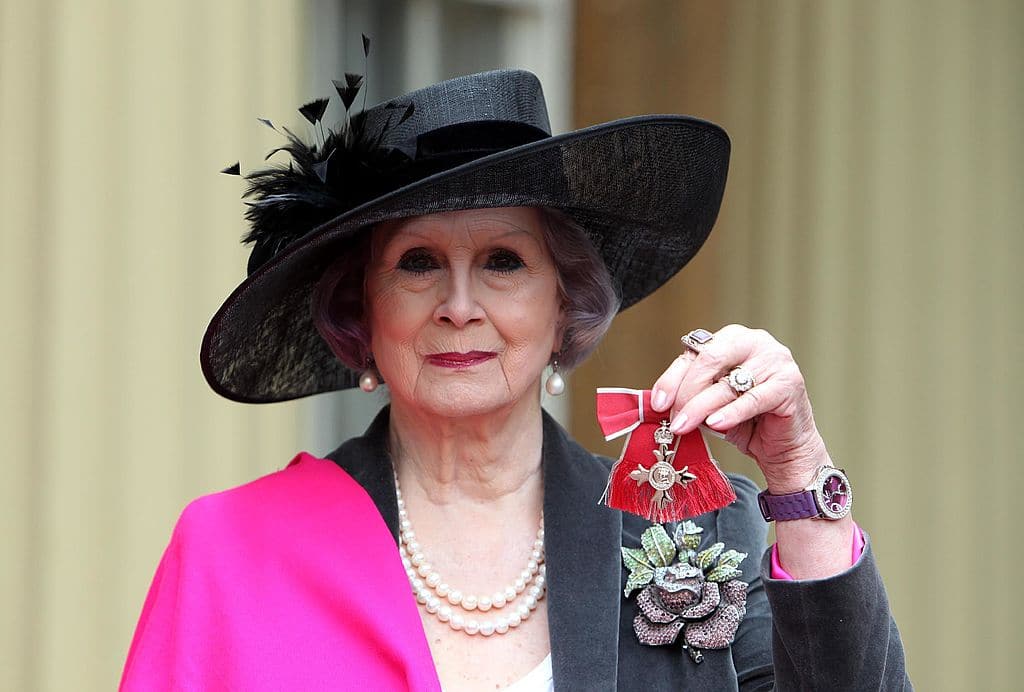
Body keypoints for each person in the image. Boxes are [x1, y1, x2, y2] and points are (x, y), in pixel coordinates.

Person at [121, 69, 910, 691]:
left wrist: (798, 476)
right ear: (362, 312)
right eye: (418, 263)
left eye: (503, 261)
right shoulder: (233, 554)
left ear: (563, 302)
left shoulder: (700, 537)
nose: (460, 306)